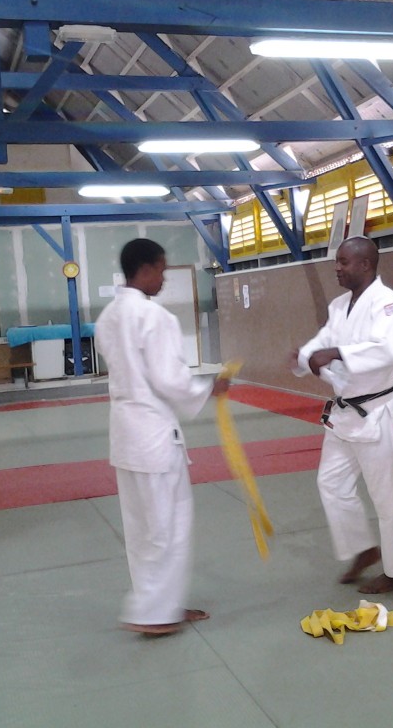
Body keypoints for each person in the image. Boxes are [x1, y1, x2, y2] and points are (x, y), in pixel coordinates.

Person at [95, 238, 229, 636]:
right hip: (153, 435)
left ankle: (158, 604)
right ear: (146, 268)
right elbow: (170, 380)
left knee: (141, 529)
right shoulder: (155, 317)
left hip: (125, 433)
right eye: (162, 270)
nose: (164, 279)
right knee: (168, 527)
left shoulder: (107, 317)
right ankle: (155, 612)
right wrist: (209, 388)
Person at [289, 236, 393, 594]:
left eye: (343, 262)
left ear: (365, 264)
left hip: (377, 412)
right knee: (331, 484)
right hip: (344, 413)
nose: (337, 268)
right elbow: (321, 343)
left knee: (387, 497)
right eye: (337, 262)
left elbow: (385, 350)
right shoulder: (339, 305)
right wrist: (305, 358)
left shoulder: (388, 304)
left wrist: (335, 354)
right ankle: (363, 549)